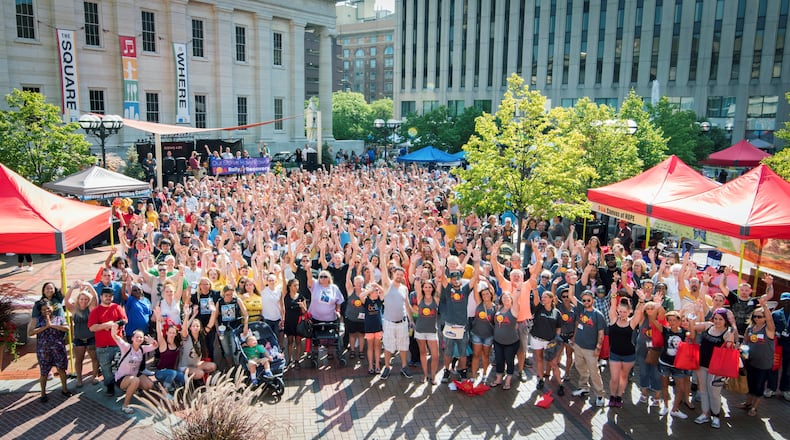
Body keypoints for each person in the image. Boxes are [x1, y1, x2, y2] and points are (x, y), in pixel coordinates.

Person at [692, 308, 737, 428]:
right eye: (716, 318)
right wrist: (695, 312)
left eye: (720, 319)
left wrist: (732, 326)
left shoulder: (727, 332)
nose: (717, 321)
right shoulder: (708, 326)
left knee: (714, 392)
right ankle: (705, 414)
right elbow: (692, 326)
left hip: (717, 368)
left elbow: (730, 348)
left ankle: (716, 416)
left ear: (725, 320)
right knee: (703, 390)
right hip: (702, 364)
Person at [377, 236, 413, 379]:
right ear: (393, 274)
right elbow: (384, 270)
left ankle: (404, 367)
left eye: (401, 274)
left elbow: (408, 305)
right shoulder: (387, 285)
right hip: (389, 322)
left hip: (403, 323)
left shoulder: (404, 288)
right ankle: (387, 367)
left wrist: (411, 321)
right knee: (388, 346)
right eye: (397, 274)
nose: (399, 275)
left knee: (404, 346)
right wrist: (383, 253)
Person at [736, 296, 775, 417]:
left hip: (763, 364)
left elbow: (770, 321)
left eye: (760, 316)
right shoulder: (750, 328)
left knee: (759, 386)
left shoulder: (768, 330)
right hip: (750, 362)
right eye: (755, 316)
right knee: (749, 384)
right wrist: (742, 352)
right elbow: (745, 343)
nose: (757, 318)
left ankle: (754, 407)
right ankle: (748, 403)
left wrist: (764, 306)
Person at [29, 301, 72, 403]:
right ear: (40, 311)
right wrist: (45, 327)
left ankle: (65, 389)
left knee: (61, 370)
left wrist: (52, 325)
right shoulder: (37, 320)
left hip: (58, 349)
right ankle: (43, 393)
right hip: (44, 350)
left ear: (53, 308)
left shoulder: (59, 318)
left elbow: (67, 328)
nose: (46, 311)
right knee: (44, 372)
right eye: (44, 309)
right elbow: (30, 332)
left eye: (48, 308)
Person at [607, 292, 644, 408]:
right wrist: (613, 293)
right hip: (615, 354)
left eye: (625, 312)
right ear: (618, 310)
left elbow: (639, 312)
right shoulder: (613, 319)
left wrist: (642, 300)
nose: (622, 314)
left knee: (623, 377)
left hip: (629, 355)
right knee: (614, 378)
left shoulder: (631, 323)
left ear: (629, 312)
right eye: (620, 311)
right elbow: (612, 305)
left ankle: (619, 397)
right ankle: (612, 396)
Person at [88, 287, 128, 396]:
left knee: (120, 366)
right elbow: (92, 327)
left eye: (110, 296)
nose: (108, 298)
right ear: (101, 297)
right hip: (103, 346)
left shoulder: (117, 307)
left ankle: (122, 384)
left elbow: (125, 320)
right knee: (106, 368)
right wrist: (105, 325)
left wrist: (116, 324)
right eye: (106, 296)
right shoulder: (95, 311)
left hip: (117, 344)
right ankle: (110, 386)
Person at [571, 289, 607, 407]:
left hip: (590, 348)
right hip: (578, 345)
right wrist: (574, 339)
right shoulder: (581, 310)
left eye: (588, 300)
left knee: (594, 372)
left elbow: (601, 333)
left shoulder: (598, 315)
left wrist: (598, 347)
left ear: (593, 300)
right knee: (580, 367)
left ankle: (600, 395)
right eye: (584, 300)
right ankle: (583, 387)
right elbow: (571, 296)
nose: (586, 302)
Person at [110, 327, 158, 414]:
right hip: (122, 379)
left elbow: (155, 346)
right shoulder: (126, 347)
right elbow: (115, 337)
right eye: (137, 337)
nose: (139, 339)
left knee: (150, 385)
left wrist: (152, 341)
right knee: (135, 380)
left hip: (135, 376)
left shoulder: (142, 349)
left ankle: (135, 389)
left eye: (141, 337)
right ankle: (125, 406)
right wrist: (114, 330)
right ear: (132, 338)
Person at [655, 310, 692, 419]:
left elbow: (693, 334)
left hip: (679, 365)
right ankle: (665, 407)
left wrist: (692, 321)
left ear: (679, 321)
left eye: (674, 320)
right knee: (664, 386)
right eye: (670, 320)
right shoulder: (665, 330)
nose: (672, 322)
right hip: (664, 363)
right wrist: (656, 305)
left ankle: (675, 409)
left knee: (680, 388)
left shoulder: (684, 332)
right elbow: (654, 321)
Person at [64, 281, 100, 387]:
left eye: (85, 299)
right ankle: (79, 379)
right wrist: (71, 288)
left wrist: (89, 285)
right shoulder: (74, 309)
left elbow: (95, 297)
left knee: (94, 358)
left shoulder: (91, 308)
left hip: (91, 337)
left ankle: (95, 376)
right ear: (78, 300)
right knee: (79, 360)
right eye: (81, 299)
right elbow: (66, 300)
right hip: (79, 338)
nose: (83, 301)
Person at [531, 288, 563, 395]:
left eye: (545, 297)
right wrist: (535, 288)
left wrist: (556, 338)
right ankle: (540, 379)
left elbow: (558, 327)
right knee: (539, 359)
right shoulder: (539, 308)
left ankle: (560, 384)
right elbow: (536, 298)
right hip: (537, 339)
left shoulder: (556, 312)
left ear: (551, 299)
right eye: (542, 297)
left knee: (553, 363)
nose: (542, 298)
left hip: (550, 342)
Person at [413, 278, 440, 384]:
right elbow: (417, 286)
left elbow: (440, 284)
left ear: (433, 288)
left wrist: (440, 275)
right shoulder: (420, 298)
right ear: (423, 288)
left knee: (435, 355)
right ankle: (425, 375)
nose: (428, 289)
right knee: (423, 353)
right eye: (425, 287)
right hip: (420, 331)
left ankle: (433, 375)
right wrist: (418, 275)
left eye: (430, 287)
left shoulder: (436, 299)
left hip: (432, 331)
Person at [215, 285, 249, 369]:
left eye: (231, 294)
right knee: (227, 351)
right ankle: (231, 367)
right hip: (224, 329)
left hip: (235, 328)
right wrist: (217, 328)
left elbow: (245, 314)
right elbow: (215, 316)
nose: (229, 296)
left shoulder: (237, 300)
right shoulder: (220, 302)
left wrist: (245, 326)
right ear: (223, 294)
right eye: (227, 294)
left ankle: (239, 367)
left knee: (236, 349)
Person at [491, 292, 520, 390]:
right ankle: (498, 379)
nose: (506, 300)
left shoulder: (514, 309)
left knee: (509, 361)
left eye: (508, 298)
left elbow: (516, 299)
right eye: (504, 298)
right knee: (499, 360)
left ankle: (508, 380)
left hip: (511, 342)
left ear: (511, 299)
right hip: (498, 341)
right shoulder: (499, 308)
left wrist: (518, 289)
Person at [152, 307, 185, 393]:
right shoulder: (163, 344)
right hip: (160, 372)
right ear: (166, 333)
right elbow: (159, 333)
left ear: (176, 334)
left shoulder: (177, 344)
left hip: (172, 372)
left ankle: (175, 389)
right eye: (170, 332)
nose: (171, 334)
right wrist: (158, 320)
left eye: (173, 333)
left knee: (182, 377)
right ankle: (164, 392)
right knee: (172, 373)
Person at [178, 313, 218, 381]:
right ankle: (190, 381)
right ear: (190, 328)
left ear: (200, 328)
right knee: (200, 373)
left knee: (213, 366)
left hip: (196, 364)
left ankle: (196, 376)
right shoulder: (187, 338)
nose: (195, 327)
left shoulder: (201, 337)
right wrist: (187, 315)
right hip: (185, 367)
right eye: (193, 326)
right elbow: (184, 329)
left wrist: (214, 311)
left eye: (197, 326)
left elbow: (210, 325)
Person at [768, 292, 790, 400]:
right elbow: (770, 327)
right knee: (774, 366)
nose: (786, 303)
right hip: (777, 344)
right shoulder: (775, 314)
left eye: (788, 301)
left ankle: (785, 389)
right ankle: (771, 388)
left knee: (788, 368)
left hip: (789, 345)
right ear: (781, 301)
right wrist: (776, 332)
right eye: (784, 301)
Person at [359, 283, 384, 375]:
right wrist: (370, 289)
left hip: (378, 327)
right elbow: (361, 295)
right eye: (375, 291)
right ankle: (370, 365)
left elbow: (383, 291)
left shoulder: (379, 301)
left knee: (377, 347)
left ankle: (377, 365)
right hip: (369, 328)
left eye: (377, 291)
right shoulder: (366, 301)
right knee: (370, 347)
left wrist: (377, 285)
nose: (377, 292)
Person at [282, 278, 307, 368]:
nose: (297, 287)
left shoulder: (301, 297)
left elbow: (305, 312)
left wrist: (302, 306)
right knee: (289, 341)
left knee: (298, 341)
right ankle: (290, 359)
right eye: (294, 285)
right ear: (290, 286)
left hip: (298, 322)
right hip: (289, 322)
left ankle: (297, 360)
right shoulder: (286, 295)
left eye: (298, 285)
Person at [344, 274, 367, 362]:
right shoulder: (351, 291)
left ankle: (361, 352)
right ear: (354, 283)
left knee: (361, 335)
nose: (359, 284)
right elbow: (347, 280)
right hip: (351, 318)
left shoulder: (365, 292)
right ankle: (352, 351)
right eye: (357, 282)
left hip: (362, 318)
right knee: (352, 335)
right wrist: (350, 269)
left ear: (363, 283)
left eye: (360, 282)